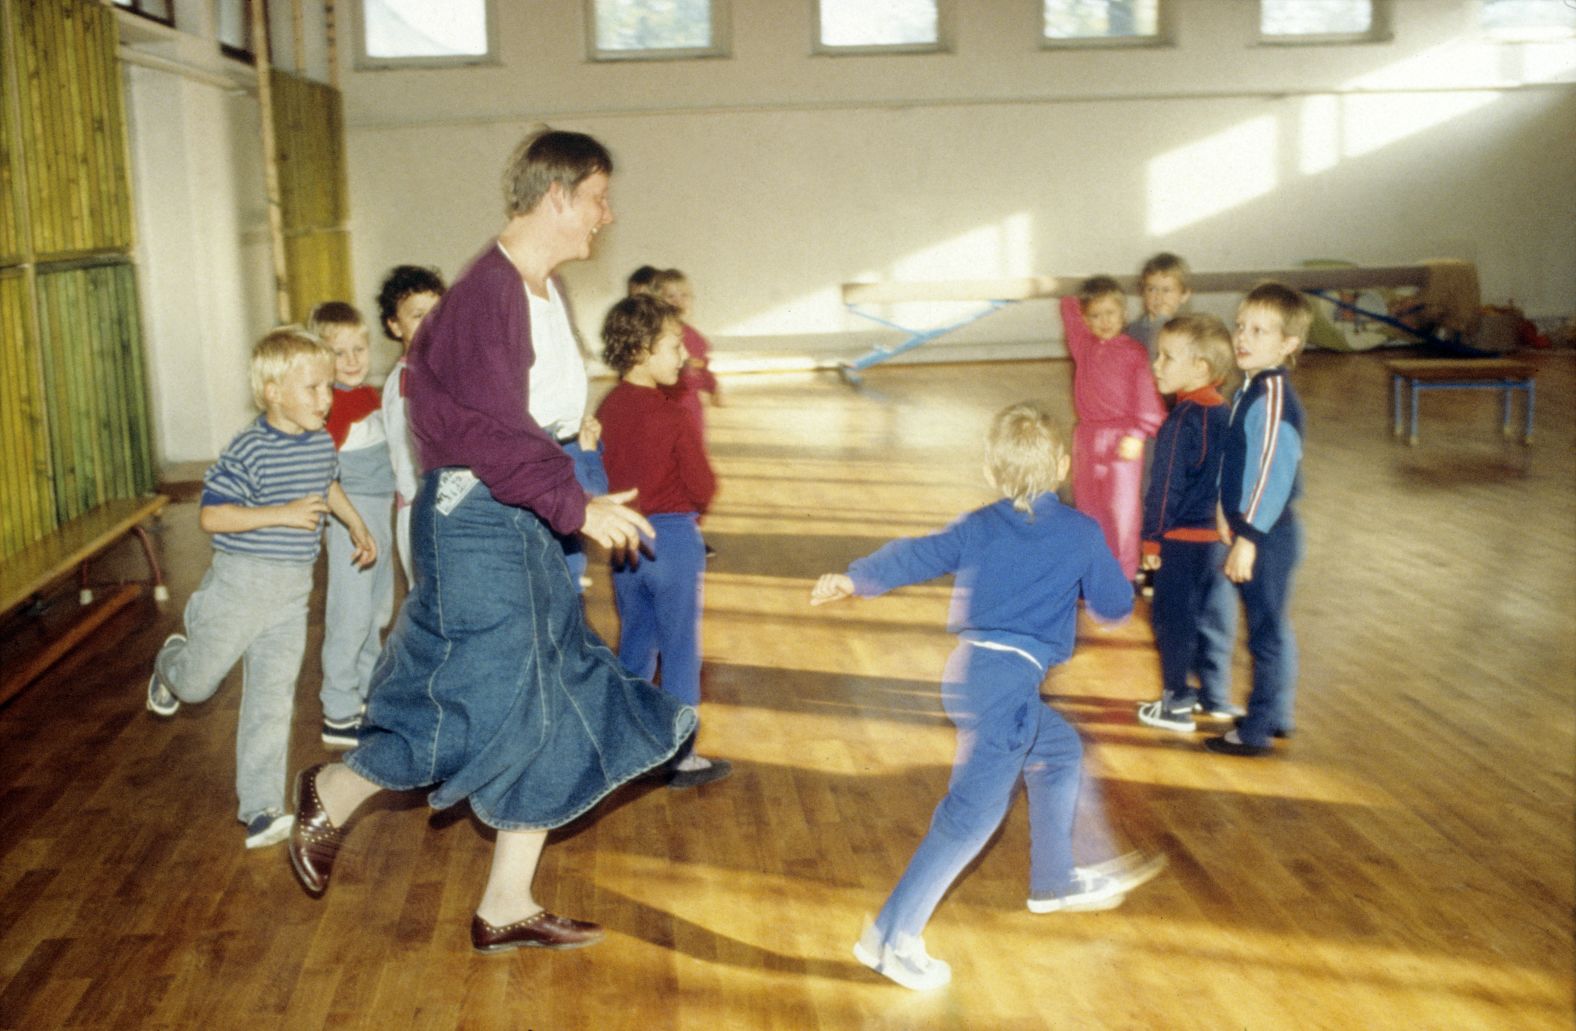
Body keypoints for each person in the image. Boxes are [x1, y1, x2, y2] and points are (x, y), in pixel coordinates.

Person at [285, 128, 695, 954]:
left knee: (556, 682)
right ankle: (333, 788)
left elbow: (532, 425)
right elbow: (490, 435)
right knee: (477, 692)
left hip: (521, 512)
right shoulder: (486, 296)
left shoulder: (541, 290)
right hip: (475, 516)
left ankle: (507, 900)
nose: (606, 217)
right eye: (598, 198)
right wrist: (573, 506)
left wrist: (574, 490)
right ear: (557, 197)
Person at [810, 402, 1165, 991]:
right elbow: (1114, 606)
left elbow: (915, 554)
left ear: (992, 473)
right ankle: (890, 938)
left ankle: (1054, 880)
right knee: (968, 818)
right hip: (1007, 690)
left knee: (1058, 751)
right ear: (1061, 464)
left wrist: (855, 578)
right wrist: (1106, 567)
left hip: (970, 675)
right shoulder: (1080, 531)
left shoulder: (978, 524)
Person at [147, 328, 376, 848]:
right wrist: (283, 514)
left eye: (329, 388)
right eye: (313, 388)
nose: (327, 398)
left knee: (272, 700)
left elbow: (327, 484)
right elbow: (210, 517)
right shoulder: (247, 448)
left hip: (292, 593)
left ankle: (262, 807)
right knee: (198, 686)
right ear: (273, 391)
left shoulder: (319, 442)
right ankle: (170, 664)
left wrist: (356, 524)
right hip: (239, 587)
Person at [597, 295, 729, 789]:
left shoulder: (609, 405)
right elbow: (703, 485)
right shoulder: (671, 414)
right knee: (679, 651)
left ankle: (626, 745)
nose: (683, 355)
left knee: (635, 643)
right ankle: (681, 756)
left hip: (624, 542)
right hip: (672, 541)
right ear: (640, 350)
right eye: (674, 345)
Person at [1204, 283, 1311, 757]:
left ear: (1288, 345)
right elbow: (1237, 459)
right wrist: (1224, 511)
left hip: (1268, 538)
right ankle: (1276, 715)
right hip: (1259, 530)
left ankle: (1255, 732)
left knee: (1265, 635)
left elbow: (1271, 473)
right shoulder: (1251, 387)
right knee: (1271, 628)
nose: (1242, 337)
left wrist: (1247, 536)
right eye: (1241, 326)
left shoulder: (1271, 396)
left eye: (1259, 331)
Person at [1135, 314, 1241, 733]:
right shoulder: (1226, 412)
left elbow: (1164, 489)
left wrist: (1151, 541)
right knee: (1215, 619)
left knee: (1173, 621)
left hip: (1180, 542)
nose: (1156, 364)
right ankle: (1215, 698)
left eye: (1166, 357)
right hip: (1218, 543)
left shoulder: (1181, 421)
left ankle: (1176, 703)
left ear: (1200, 368)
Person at [309, 301, 397, 749]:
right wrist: (348, 518)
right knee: (350, 612)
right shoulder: (333, 405)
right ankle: (338, 710)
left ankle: (367, 692)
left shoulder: (369, 395)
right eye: (339, 352)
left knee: (377, 609)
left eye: (359, 348)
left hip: (379, 509)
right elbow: (321, 469)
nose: (352, 360)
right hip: (351, 516)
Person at [1060, 276, 1168, 583]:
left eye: (1111, 313)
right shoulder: (1084, 347)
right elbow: (1068, 310)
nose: (1104, 321)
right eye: (1095, 315)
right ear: (1085, 319)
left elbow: (1148, 398)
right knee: (1088, 506)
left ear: (1123, 314)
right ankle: (1094, 569)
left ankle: (1123, 573)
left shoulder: (1134, 353)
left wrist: (1138, 433)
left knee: (1121, 512)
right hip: (1087, 439)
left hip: (1122, 440)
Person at [376, 264, 446, 590]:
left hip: (441, 506)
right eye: (418, 315)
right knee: (431, 604)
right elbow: (409, 456)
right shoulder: (407, 380)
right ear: (394, 325)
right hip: (421, 509)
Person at [648, 267, 721, 436]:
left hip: (690, 405)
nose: (678, 301)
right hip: (665, 402)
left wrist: (713, 387)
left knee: (693, 446)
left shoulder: (695, 338)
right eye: (670, 296)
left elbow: (703, 367)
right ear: (658, 301)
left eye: (684, 295)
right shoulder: (654, 335)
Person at [1126, 252, 1193, 359]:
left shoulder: (1190, 332)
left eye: (1166, 290)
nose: (1158, 297)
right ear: (1142, 292)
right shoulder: (1132, 330)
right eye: (1151, 289)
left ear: (1184, 295)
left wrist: (1162, 319)